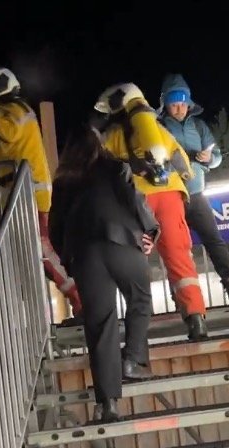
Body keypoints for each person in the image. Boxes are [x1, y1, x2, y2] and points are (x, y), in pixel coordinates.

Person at [49, 126, 158, 422]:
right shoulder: (115, 167)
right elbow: (135, 200)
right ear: (99, 145)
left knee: (100, 325)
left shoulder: (63, 181)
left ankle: (108, 404)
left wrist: (70, 260)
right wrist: (150, 231)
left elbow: (55, 228)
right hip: (123, 243)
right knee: (140, 299)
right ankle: (132, 360)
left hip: (85, 254)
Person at [0, 66, 83, 317]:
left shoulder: (17, 110)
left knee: (46, 253)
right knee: (27, 259)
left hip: (30, 196)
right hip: (14, 198)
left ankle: (83, 302)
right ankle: (48, 311)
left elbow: (8, 131)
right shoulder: (0, 118)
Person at [93, 81, 208, 341]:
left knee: (136, 261)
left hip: (137, 201)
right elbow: (183, 163)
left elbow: (103, 171)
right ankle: (196, 318)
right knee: (179, 256)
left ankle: (139, 330)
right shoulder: (159, 128)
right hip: (169, 197)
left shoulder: (112, 135)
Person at [158, 73, 229, 305]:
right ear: (165, 105)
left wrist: (208, 158)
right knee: (175, 247)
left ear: (189, 103)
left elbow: (217, 157)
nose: (179, 108)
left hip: (196, 193)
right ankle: (180, 296)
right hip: (171, 196)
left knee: (214, 239)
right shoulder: (159, 127)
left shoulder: (199, 126)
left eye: (183, 103)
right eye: (174, 104)